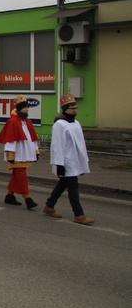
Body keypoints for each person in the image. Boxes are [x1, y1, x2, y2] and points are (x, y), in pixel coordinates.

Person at [44, 93, 94, 225]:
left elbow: (80, 144)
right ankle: (79, 214)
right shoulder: (60, 125)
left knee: (63, 184)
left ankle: (49, 205)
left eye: (76, 108)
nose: (75, 111)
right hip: (66, 161)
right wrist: (59, 163)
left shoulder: (76, 123)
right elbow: (57, 145)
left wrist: (83, 162)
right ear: (65, 109)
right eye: (72, 108)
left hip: (75, 160)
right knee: (73, 186)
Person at [0, 94, 40, 210]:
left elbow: (33, 137)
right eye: (25, 107)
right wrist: (10, 154)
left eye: (27, 107)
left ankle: (9, 196)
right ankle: (28, 198)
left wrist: (36, 150)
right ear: (19, 108)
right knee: (21, 175)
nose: (27, 109)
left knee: (17, 175)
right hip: (17, 154)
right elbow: (10, 139)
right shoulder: (13, 121)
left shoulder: (27, 121)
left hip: (25, 153)